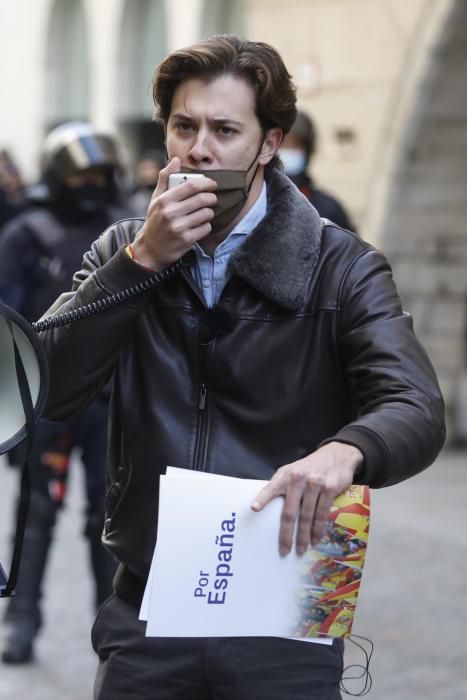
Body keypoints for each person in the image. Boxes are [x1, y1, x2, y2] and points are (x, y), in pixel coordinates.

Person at [37, 36, 445, 699]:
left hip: (284, 599)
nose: (198, 149)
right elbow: (46, 387)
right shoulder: (122, 249)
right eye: (183, 126)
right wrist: (140, 264)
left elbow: (416, 405)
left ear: (267, 144)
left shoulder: (340, 266)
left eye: (224, 129)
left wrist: (345, 451)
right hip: (151, 602)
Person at [0, 122, 128, 664]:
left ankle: (114, 625)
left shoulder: (126, 233)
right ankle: (22, 620)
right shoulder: (27, 234)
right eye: (80, 174)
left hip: (109, 400)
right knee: (36, 514)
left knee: (110, 517)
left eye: (99, 174)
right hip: (44, 401)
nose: (90, 183)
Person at [279, 110, 356, 231]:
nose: (288, 152)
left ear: (308, 150)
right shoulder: (254, 206)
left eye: (295, 146)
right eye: (282, 145)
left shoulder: (328, 209)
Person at [129, 150, 167, 217]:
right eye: (143, 169)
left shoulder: (166, 195)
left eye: (150, 168)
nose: (146, 173)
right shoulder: (133, 199)